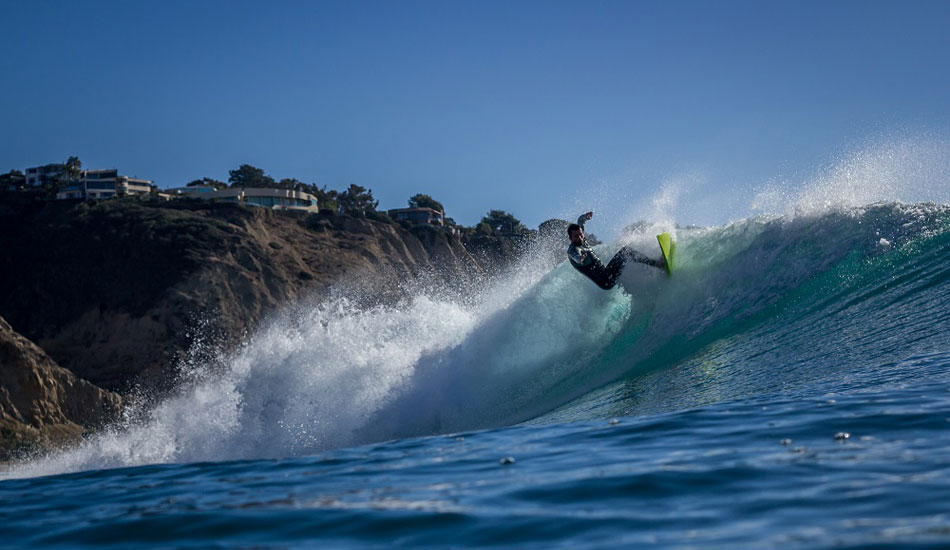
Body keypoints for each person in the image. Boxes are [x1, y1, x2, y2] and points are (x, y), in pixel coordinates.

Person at [567, 211, 664, 290]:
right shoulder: (574, 250)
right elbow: (574, 256)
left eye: (581, 234)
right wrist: (580, 259)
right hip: (606, 281)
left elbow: (580, 220)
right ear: (570, 238)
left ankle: (650, 274)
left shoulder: (581, 238)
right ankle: (657, 264)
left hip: (607, 273)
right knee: (626, 251)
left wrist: (585, 216)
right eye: (576, 236)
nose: (580, 237)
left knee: (626, 256)